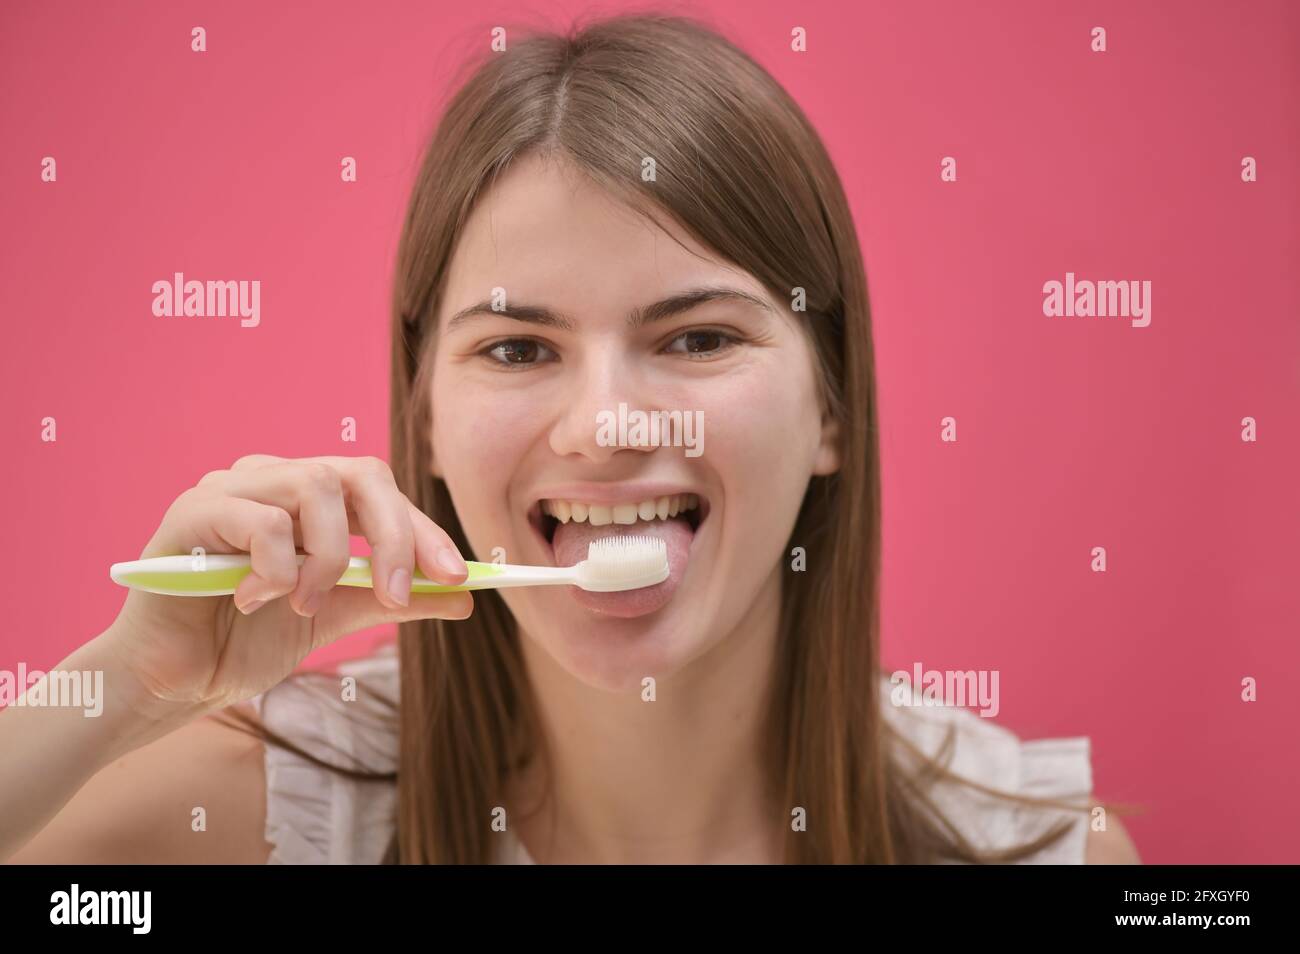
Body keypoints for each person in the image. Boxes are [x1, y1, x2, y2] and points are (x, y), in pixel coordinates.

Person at [2, 13, 1138, 865]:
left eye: (695, 339)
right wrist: (128, 688)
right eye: (515, 349)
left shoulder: (1040, 851)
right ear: (427, 422)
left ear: (831, 408)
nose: (608, 426)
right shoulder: (251, 815)